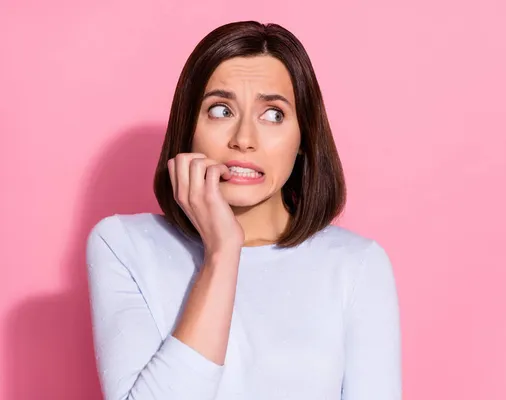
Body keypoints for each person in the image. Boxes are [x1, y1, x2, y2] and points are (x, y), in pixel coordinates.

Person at [86, 20, 401, 400]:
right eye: (221, 110)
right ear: (188, 128)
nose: (244, 140)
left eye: (273, 115)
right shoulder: (123, 245)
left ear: (304, 138)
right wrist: (222, 251)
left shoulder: (357, 265)